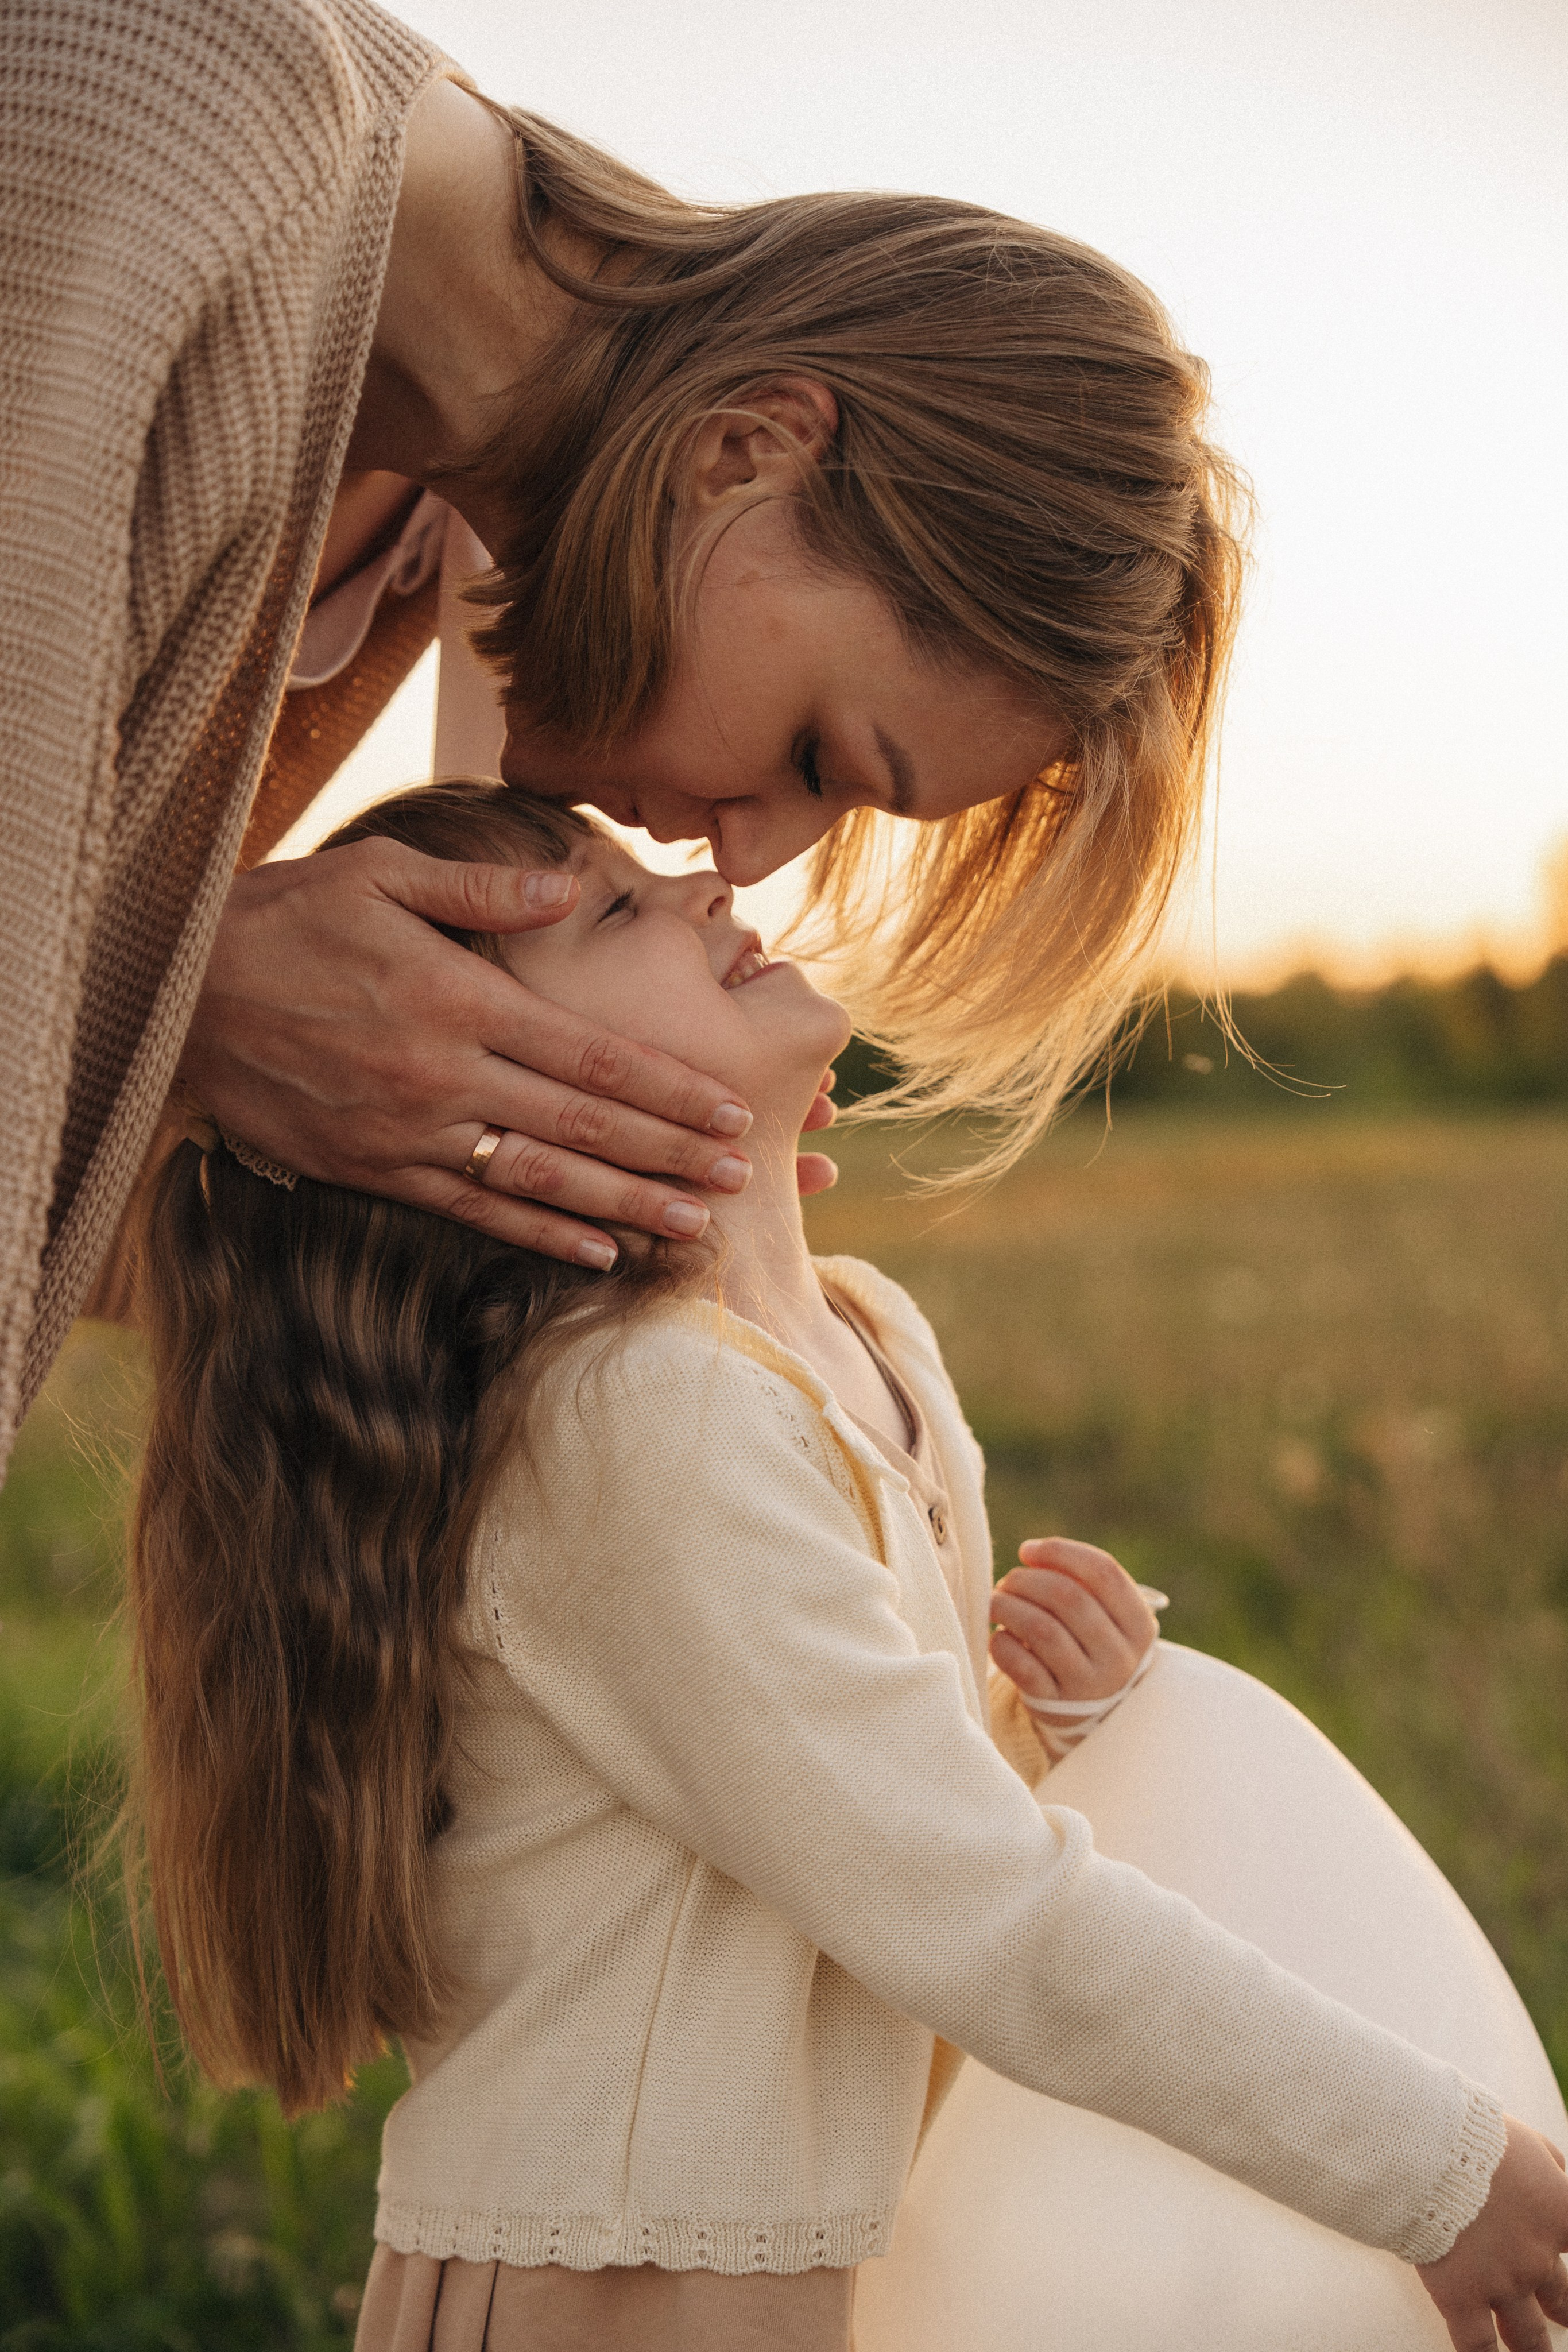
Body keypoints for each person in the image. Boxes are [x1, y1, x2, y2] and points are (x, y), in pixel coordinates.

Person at [126, 779, 1568, 2352]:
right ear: (499, 1088)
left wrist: (1060, 1735)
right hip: (615, 2285)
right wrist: (1432, 2172)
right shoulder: (637, 1420)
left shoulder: (865, 1337)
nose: (696, 887)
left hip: (815, 2259)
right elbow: (969, 1907)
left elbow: (860, 1809)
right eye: (612, 908)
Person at [0, 0, 1242, 1480]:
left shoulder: (418, 508)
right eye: (816, 759)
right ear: (749, 450)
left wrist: (471, 1178)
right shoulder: (161, 149)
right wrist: (190, 994)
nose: (750, 851)